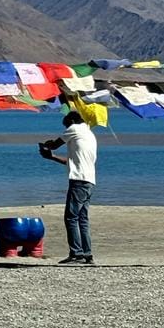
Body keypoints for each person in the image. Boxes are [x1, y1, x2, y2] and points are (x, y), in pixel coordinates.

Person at [45, 112, 98, 264]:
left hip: (79, 181)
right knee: (82, 219)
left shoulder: (75, 128)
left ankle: (76, 253)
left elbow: (55, 144)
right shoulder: (89, 134)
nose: (66, 129)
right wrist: (52, 157)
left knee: (71, 217)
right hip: (89, 181)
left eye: (66, 125)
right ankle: (87, 255)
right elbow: (73, 162)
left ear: (72, 121)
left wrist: (48, 145)